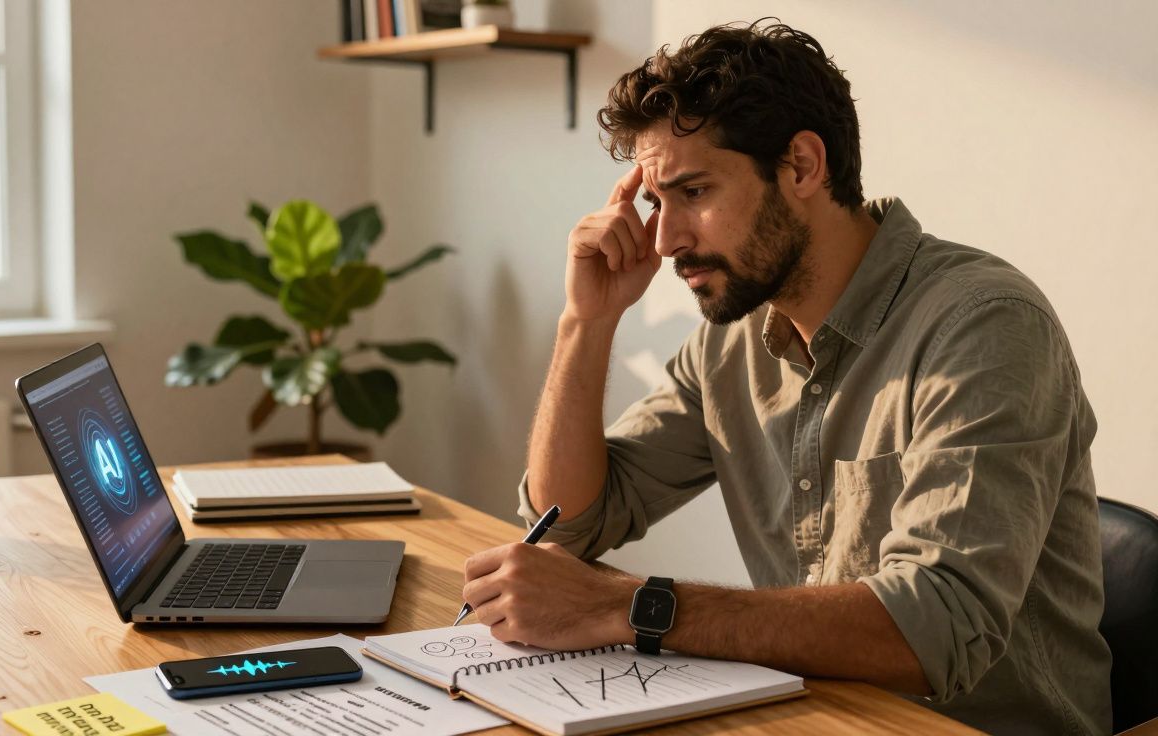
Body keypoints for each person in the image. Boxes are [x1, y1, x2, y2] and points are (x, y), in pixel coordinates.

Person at [459, 19, 1111, 735]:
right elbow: (570, 524)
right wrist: (586, 323)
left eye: (694, 191)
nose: (668, 238)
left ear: (802, 165)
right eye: (655, 203)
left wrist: (624, 605)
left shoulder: (985, 324)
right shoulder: (733, 343)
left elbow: (937, 627)